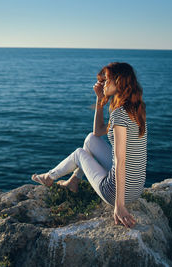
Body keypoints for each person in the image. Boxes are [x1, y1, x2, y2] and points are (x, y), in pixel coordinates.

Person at [32, 62, 147, 228]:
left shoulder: (119, 115)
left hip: (116, 192)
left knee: (79, 153)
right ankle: (73, 181)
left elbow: (120, 161)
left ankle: (49, 177)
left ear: (119, 82)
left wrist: (119, 206)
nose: (104, 84)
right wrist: (100, 100)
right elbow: (97, 131)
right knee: (90, 139)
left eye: (107, 80)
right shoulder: (136, 108)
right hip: (136, 187)